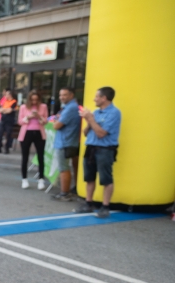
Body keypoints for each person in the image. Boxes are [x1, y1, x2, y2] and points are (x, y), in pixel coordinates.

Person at [75, 87, 122, 218]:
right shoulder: (95, 112)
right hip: (90, 147)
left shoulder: (114, 113)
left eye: (96, 97)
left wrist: (91, 119)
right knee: (89, 177)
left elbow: (101, 134)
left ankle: (105, 206)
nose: (94, 99)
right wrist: (88, 120)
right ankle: (88, 203)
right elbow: (85, 133)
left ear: (104, 98)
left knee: (106, 178)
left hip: (105, 149)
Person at [51, 87, 81, 201]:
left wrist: (55, 121)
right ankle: (72, 190)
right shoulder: (69, 107)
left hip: (65, 142)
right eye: (60, 95)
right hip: (68, 141)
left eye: (64, 95)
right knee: (70, 166)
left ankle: (65, 193)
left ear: (71, 95)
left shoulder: (70, 108)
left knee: (64, 168)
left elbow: (56, 125)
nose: (62, 97)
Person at [17, 90, 48, 190]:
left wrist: (39, 116)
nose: (34, 102)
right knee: (25, 157)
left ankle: (41, 180)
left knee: (40, 157)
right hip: (26, 133)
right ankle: (24, 179)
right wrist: (29, 117)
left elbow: (45, 121)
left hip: (39, 133)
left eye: (36, 100)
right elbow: (20, 121)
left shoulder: (43, 106)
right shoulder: (23, 107)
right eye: (32, 100)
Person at [0, 88, 17, 154]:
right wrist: (5, 110)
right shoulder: (5, 101)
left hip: (9, 121)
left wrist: (4, 110)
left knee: (8, 135)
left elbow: (10, 111)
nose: (5, 96)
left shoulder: (14, 102)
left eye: (6, 94)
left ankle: (6, 149)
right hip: (2, 120)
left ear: (10, 95)